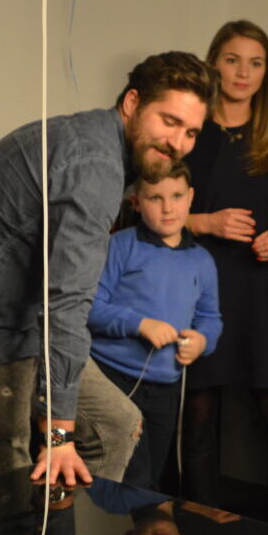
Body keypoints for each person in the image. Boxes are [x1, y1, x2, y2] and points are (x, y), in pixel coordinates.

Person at [0, 52, 212, 493]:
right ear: (133, 103)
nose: (178, 143)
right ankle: (20, 531)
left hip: (8, 325)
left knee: (116, 425)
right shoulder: (95, 166)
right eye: (169, 121)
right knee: (6, 478)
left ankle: (55, 530)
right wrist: (58, 436)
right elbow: (66, 304)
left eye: (191, 132)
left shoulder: (102, 147)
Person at [180, 20, 268, 529]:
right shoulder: (191, 129)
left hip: (258, 287)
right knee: (199, 416)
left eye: (255, 63)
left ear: (266, 72)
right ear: (214, 62)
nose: (243, 72)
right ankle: (202, 527)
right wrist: (206, 222)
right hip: (197, 287)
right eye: (233, 60)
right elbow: (149, 208)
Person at [86, 161, 223, 492]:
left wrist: (202, 341)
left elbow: (210, 317)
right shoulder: (120, 246)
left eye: (176, 196)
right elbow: (90, 308)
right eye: (155, 198)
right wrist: (139, 324)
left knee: (152, 476)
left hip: (165, 387)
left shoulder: (202, 261)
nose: (167, 208)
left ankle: (143, 522)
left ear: (191, 197)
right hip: (112, 379)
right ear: (136, 202)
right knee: (128, 474)